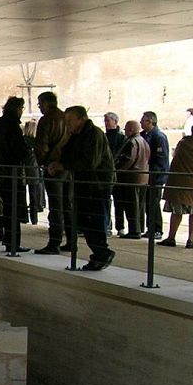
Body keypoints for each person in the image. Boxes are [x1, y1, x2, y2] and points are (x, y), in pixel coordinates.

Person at [50, 106, 115, 271]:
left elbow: (90, 162)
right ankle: (100, 254)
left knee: (95, 220)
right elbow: (66, 154)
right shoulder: (76, 135)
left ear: (81, 119)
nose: (67, 124)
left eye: (70, 120)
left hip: (97, 184)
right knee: (84, 220)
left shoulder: (94, 134)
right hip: (84, 184)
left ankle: (102, 253)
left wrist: (63, 165)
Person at [0, 96, 32, 251]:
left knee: (8, 209)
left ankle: (10, 241)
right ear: (17, 109)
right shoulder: (12, 125)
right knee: (14, 209)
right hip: (12, 173)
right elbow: (20, 151)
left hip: (1, 172)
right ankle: (13, 243)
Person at [33, 91, 71, 255]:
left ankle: (54, 242)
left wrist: (42, 161)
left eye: (40, 104)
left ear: (46, 103)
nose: (39, 107)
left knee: (55, 207)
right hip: (67, 168)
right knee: (67, 205)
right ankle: (71, 241)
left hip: (52, 167)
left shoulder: (47, 120)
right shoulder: (66, 118)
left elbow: (42, 145)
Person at [114, 119, 149, 239]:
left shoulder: (132, 142)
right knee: (139, 205)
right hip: (143, 177)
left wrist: (119, 170)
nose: (125, 131)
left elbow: (129, 159)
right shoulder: (143, 140)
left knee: (131, 205)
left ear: (132, 129)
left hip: (131, 178)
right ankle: (138, 228)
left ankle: (134, 230)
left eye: (126, 129)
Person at [139, 111, 170, 238]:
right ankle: (150, 227)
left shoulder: (158, 137)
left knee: (153, 203)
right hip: (147, 175)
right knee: (147, 203)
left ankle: (156, 229)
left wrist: (155, 175)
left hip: (155, 176)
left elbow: (161, 158)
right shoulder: (144, 135)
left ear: (150, 121)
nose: (141, 122)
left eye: (143, 120)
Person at [102, 112, 126, 233]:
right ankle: (107, 225)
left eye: (108, 121)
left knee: (119, 202)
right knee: (106, 200)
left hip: (117, 173)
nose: (105, 123)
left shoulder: (121, 138)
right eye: (105, 121)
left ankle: (120, 226)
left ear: (115, 122)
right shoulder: (103, 136)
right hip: (106, 173)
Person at [21, 119, 45, 225]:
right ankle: (34, 219)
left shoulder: (22, 141)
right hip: (34, 171)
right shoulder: (35, 142)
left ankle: (24, 217)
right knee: (33, 196)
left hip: (23, 170)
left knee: (22, 195)